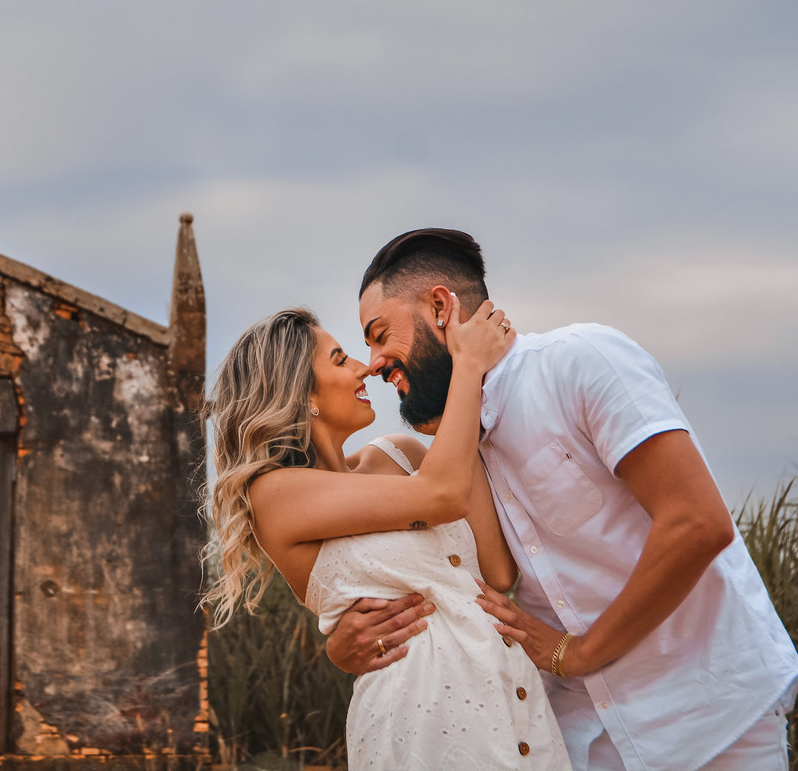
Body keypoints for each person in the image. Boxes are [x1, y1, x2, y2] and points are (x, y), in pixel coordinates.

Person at [328, 227, 798, 770]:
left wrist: (578, 652)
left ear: (440, 307)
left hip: (713, 719)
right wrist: (348, 642)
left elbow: (697, 522)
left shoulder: (579, 360)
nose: (373, 362)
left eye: (380, 334)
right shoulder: (456, 453)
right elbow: (463, 583)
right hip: (578, 743)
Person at [202, 299, 573, 769]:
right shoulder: (274, 495)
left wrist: (448, 389)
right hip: (419, 720)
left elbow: (496, 572)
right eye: (340, 360)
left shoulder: (400, 454)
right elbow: (442, 496)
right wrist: (467, 364)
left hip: (513, 703)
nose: (364, 369)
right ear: (302, 394)